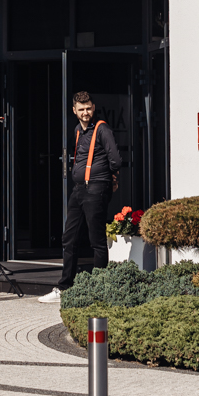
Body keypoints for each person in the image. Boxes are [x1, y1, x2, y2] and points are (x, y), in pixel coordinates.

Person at [40, 91, 122, 305]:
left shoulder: (102, 129)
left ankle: (99, 291)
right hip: (79, 190)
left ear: (93, 107)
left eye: (88, 108)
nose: (85, 112)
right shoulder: (78, 130)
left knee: (97, 240)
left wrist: (110, 178)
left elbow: (115, 159)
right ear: (74, 111)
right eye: (81, 109)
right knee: (69, 238)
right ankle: (64, 287)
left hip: (96, 189)